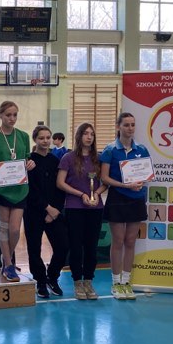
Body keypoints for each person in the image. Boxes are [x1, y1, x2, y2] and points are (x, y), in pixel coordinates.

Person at [100, 112, 150, 301]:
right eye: (126, 125)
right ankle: (116, 283)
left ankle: (126, 282)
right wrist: (125, 185)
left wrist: (141, 182)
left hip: (136, 199)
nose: (130, 128)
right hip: (117, 198)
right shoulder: (110, 150)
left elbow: (146, 174)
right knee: (118, 241)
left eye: (132, 125)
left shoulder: (142, 149)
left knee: (130, 241)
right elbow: (104, 178)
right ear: (118, 127)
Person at [0, 101, 36, 282]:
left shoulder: (23, 136)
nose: (12, 118)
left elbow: (27, 159)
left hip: (20, 188)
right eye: (8, 115)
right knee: (4, 226)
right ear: (0, 115)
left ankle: (5, 257)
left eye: (15, 115)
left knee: (15, 230)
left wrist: (31, 163)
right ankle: (8, 264)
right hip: (1, 188)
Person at [56, 122, 106, 300]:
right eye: (85, 133)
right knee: (76, 246)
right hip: (74, 207)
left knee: (91, 246)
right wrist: (81, 195)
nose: (89, 137)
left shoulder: (99, 158)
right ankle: (77, 281)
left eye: (92, 134)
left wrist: (96, 194)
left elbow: (105, 182)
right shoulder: (68, 158)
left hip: (95, 208)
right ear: (79, 136)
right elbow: (60, 183)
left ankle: (89, 281)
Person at [23, 125, 68, 298]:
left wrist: (54, 210)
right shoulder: (29, 162)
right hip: (34, 212)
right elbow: (31, 190)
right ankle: (40, 281)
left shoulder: (55, 161)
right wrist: (46, 208)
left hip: (54, 213)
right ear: (35, 139)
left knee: (63, 246)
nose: (45, 141)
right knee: (34, 249)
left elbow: (60, 187)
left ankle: (52, 277)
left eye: (48, 137)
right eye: (41, 138)